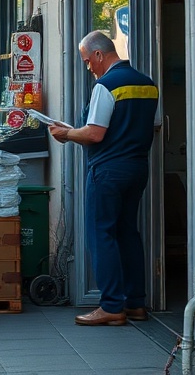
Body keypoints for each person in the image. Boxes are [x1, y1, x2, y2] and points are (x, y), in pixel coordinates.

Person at [50, 30, 158, 326]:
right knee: (128, 233)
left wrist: (66, 134)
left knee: (102, 235)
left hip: (108, 169)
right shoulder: (147, 84)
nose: (88, 67)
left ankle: (111, 305)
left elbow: (96, 133)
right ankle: (136, 303)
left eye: (88, 60)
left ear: (99, 54)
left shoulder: (106, 85)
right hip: (137, 167)